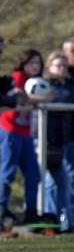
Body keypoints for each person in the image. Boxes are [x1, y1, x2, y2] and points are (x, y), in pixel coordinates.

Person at [0, 49, 43, 225]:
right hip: (10, 129)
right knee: (8, 171)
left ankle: (30, 210)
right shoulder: (17, 77)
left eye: (38, 63)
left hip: (25, 132)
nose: (35, 66)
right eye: (32, 62)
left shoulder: (37, 81)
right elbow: (19, 98)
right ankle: (1, 209)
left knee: (33, 173)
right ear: (24, 64)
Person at [42, 51, 74, 229]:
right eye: (57, 65)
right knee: (52, 183)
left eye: (64, 65)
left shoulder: (70, 86)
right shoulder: (46, 87)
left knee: (65, 182)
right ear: (50, 67)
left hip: (67, 140)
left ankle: (66, 220)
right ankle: (51, 220)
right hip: (50, 141)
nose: (61, 69)